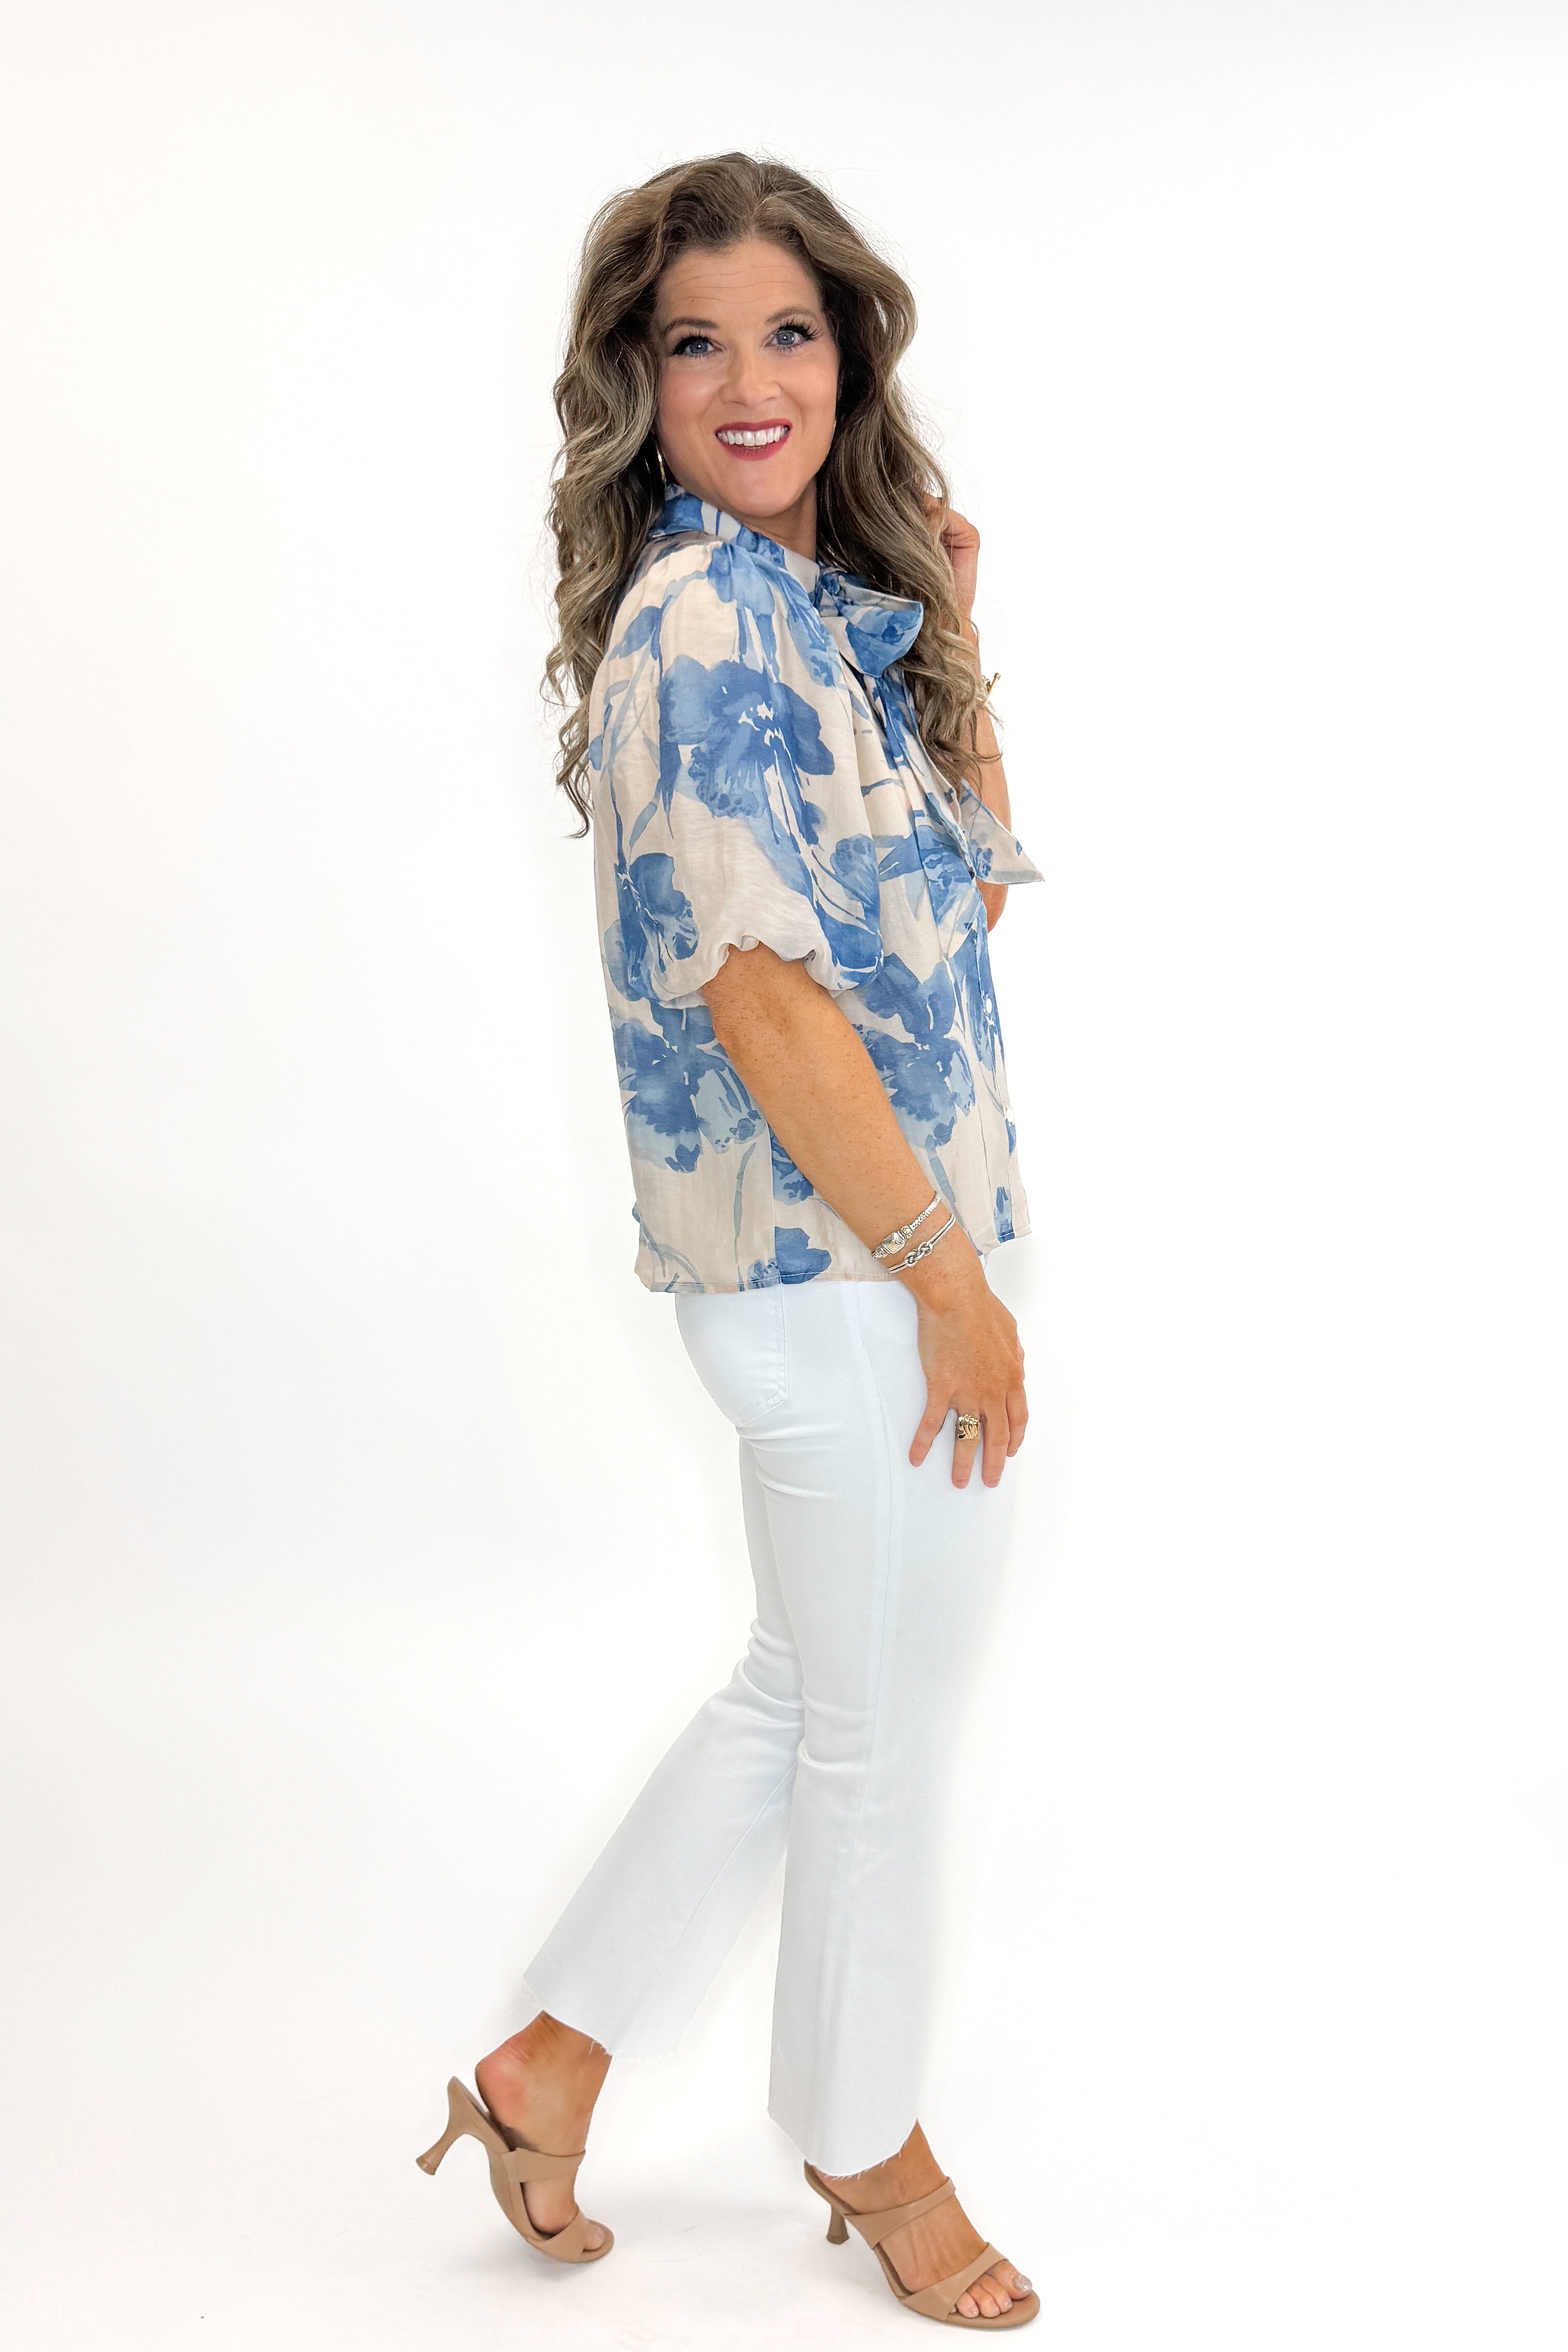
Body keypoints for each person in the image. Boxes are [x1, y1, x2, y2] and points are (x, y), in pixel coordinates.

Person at [416, 152, 1041, 2331]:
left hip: (869, 1257)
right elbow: (764, 1002)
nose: (752, 378)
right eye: (699, 343)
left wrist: (955, 637)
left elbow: (951, 918)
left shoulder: (796, 612)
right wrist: (948, 1283)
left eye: (790, 332)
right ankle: (868, 2143)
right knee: (879, 1734)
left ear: (847, 359)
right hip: (841, 1274)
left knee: (808, 1691)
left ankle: (544, 2064)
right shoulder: (704, 626)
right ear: (643, 383)